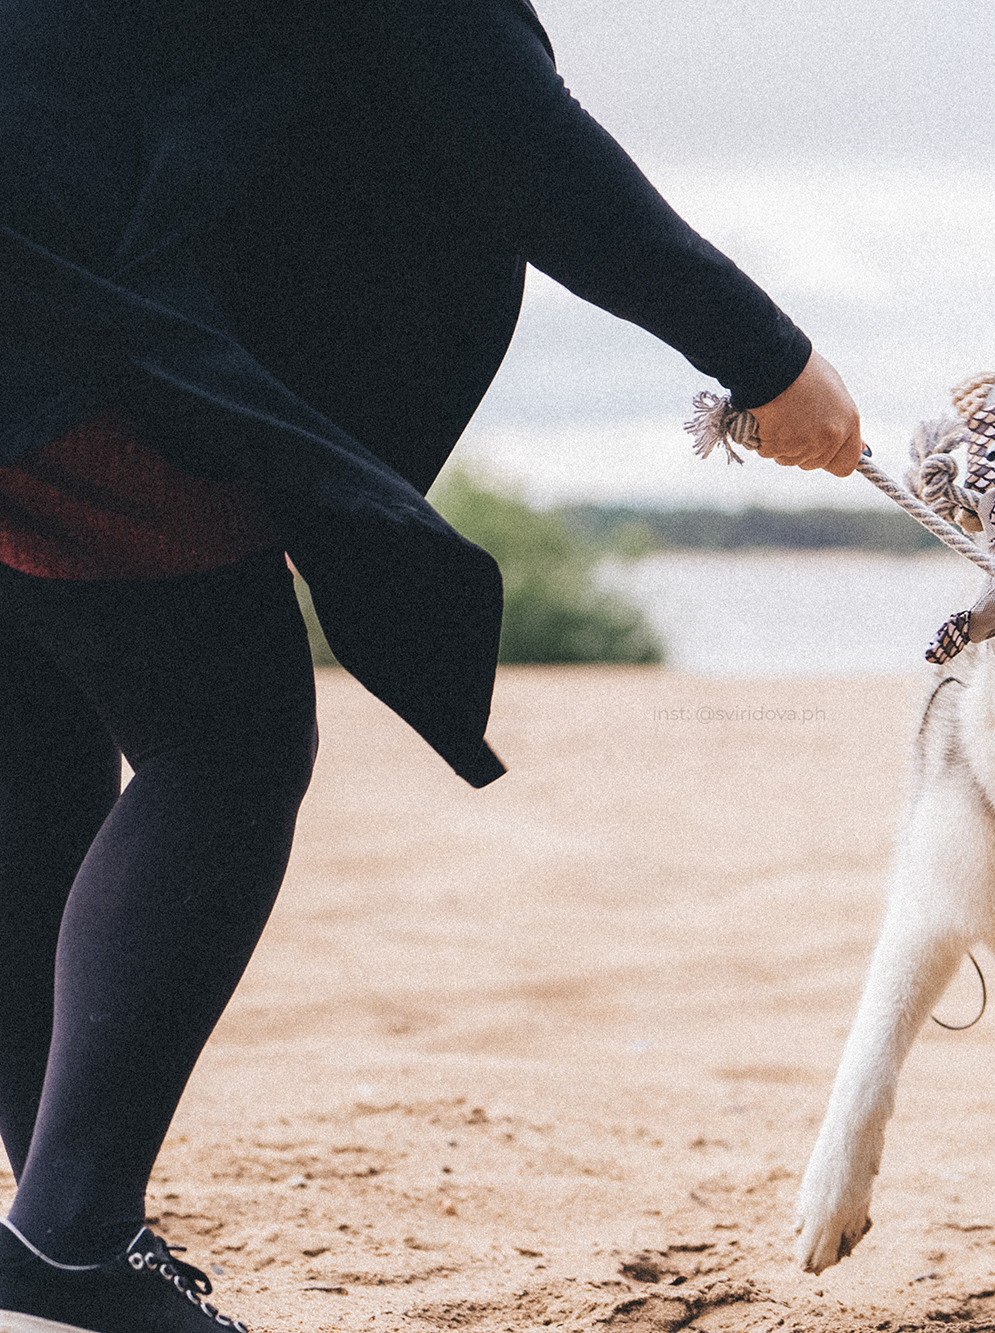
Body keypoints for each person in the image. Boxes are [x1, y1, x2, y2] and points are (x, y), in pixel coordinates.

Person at [0, 2, 863, 1328]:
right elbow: (528, 149)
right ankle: (67, 1238)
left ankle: (52, 1220)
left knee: (38, 715)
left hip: (39, 285)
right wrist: (768, 357)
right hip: (59, 319)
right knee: (224, 738)